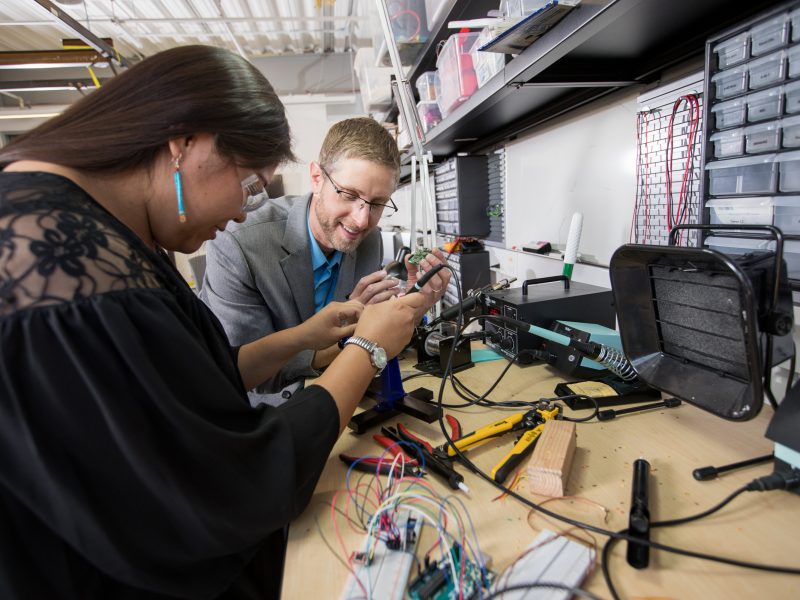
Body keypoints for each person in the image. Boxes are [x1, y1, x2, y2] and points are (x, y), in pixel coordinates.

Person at [0, 45, 430, 599]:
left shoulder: (94, 233)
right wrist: (366, 349)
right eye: (251, 183)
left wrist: (306, 335)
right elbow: (232, 483)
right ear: (185, 145)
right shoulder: (68, 273)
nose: (239, 211)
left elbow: (193, 377)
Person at [200, 117, 450, 406]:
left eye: (378, 202)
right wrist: (356, 333)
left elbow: (376, 345)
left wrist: (412, 304)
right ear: (317, 179)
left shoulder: (369, 240)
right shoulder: (239, 244)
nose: (361, 220)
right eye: (349, 194)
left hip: (341, 401)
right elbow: (243, 372)